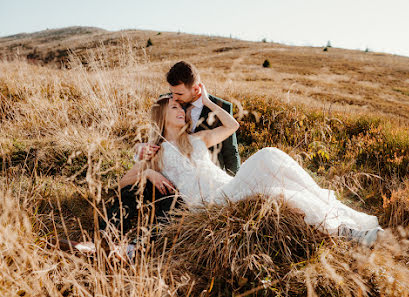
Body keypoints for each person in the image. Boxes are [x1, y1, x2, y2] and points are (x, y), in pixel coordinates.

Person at [120, 84, 383, 247]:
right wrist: (151, 171)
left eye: (182, 107)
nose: (182, 110)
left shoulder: (195, 139)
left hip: (227, 186)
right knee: (268, 157)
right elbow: (123, 182)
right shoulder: (152, 149)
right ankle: (346, 231)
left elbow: (232, 126)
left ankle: (347, 229)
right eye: (175, 107)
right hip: (208, 202)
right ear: (161, 113)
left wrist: (209, 100)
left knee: (280, 187)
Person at [100, 61, 241, 235]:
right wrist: (144, 162)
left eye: (178, 96)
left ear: (196, 89)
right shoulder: (159, 143)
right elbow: (125, 180)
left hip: (216, 182)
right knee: (141, 195)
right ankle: (109, 236)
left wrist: (236, 180)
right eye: (174, 103)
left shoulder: (200, 134)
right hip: (181, 196)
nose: (176, 100)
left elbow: (231, 145)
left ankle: (133, 245)